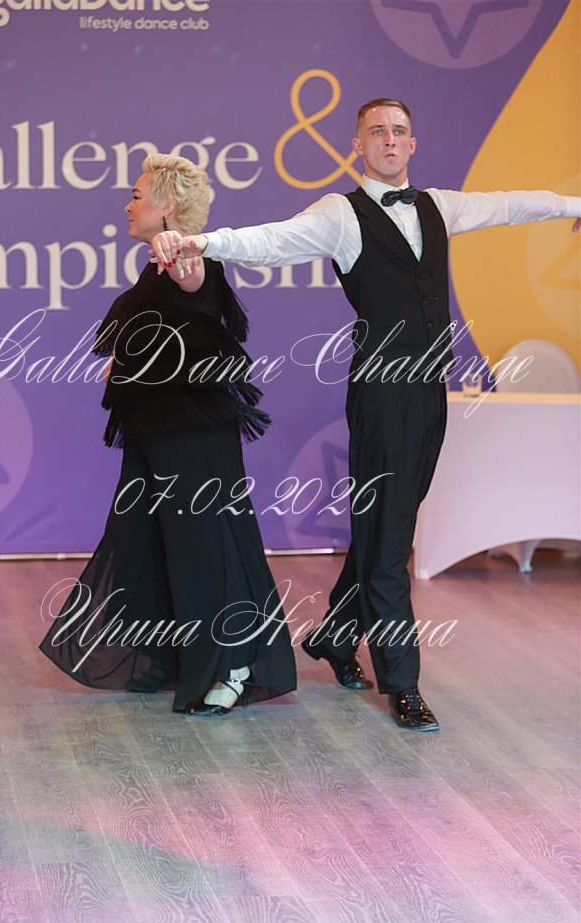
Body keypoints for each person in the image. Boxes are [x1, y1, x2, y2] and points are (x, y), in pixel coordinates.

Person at [150, 99, 581, 731]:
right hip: (381, 391)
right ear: (359, 145)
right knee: (392, 539)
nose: (389, 139)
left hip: (430, 388)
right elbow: (272, 241)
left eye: (399, 131)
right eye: (377, 131)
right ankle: (402, 683)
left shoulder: (439, 206)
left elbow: (510, 205)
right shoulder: (340, 214)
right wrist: (201, 241)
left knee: (386, 522)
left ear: (413, 143)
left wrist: (573, 205)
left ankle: (334, 634)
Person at [40, 153, 297, 716]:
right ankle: (174, 654)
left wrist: (178, 246)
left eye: (137, 196)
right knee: (151, 540)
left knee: (206, 544)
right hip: (155, 430)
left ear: (168, 207)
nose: (127, 205)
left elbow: (191, 275)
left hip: (192, 435)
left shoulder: (189, 260)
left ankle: (231, 664)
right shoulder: (152, 270)